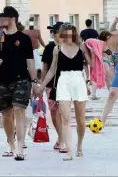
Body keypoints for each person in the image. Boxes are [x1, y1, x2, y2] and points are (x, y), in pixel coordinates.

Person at [0, 6, 38, 160]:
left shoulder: (24, 39)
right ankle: (11, 144)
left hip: (21, 80)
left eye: (4, 18)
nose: (1, 20)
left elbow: (30, 62)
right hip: (2, 81)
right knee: (7, 114)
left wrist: (35, 82)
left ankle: (20, 148)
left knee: (19, 110)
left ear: (13, 19)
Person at [37, 23, 92, 161]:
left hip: (78, 80)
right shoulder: (57, 49)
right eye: (66, 33)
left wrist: (94, 52)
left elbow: (91, 63)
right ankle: (69, 150)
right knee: (65, 118)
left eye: (71, 33)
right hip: (63, 81)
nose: (68, 36)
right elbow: (51, 70)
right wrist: (42, 86)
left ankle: (79, 145)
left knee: (81, 119)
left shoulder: (81, 47)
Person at [41, 21, 66, 153]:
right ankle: (61, 137)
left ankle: (62, 139)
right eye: (53, 33)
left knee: (64, 112)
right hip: (51, 85)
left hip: (66, 84)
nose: (54, 35)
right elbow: (45, 67)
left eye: (55, 32)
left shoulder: (70, 47)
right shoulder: (49, 48)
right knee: (54, 113)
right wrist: (42, 84)